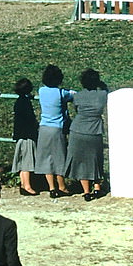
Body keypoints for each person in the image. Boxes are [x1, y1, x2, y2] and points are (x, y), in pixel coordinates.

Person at [65, 69, 108, 201]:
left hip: (77, 130)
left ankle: (86, 191)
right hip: (94, 131)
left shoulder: (78, 96)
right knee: (95, 159)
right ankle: (97, 187)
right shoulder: (102, 95)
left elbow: (76, 109)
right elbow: (106, 91)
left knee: (81, 161)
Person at [34, 64, 74, 198]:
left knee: (46, 158)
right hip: (57, 128)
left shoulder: (41, 91)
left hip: (44, 128)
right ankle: (62, 186)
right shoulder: (61, 93)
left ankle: (51, 187)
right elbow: (73, 95)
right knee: (59, 157)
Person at [11, 78, 38, 196]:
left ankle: (23, 184)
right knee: (27, 161)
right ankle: (27, 186)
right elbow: (30, 119)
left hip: (20, 135)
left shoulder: (19, 101)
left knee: (22, 160)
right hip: (27, 135)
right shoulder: (26, 103)